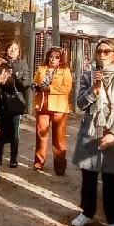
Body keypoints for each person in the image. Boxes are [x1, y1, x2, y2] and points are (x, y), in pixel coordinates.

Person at [70, 39, 114, 226]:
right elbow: (80, 104)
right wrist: (94, 91)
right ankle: (87, 212)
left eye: (107, 51)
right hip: (91, 130)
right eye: (99, 51)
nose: (102, 54)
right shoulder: (89, 75)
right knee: (88, 178)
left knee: (111, 181)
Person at [32, 47, 72, 175]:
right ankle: (39, 163)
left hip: (59, 107)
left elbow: (66, 89)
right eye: (51, 56)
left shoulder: (65, 70)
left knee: (59, 138)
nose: (53, 59)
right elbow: (35, 82)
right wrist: (36, 86)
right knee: (41, 136)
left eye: (56, 57)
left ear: (61, 59)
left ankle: (60, 167)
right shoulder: (41, 68)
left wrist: (50, 88)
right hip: (42, 105)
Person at [0, 42, 30, 169]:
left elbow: (25, 85)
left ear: (19, 52)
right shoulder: (0, 63)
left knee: (15, 132)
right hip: (1, 102)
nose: (12, 50)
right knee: (0, 131)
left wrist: (14, 75)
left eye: (15, 49)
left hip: (15, 102)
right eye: (10, 48)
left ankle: (13, 158)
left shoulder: (23, 64)